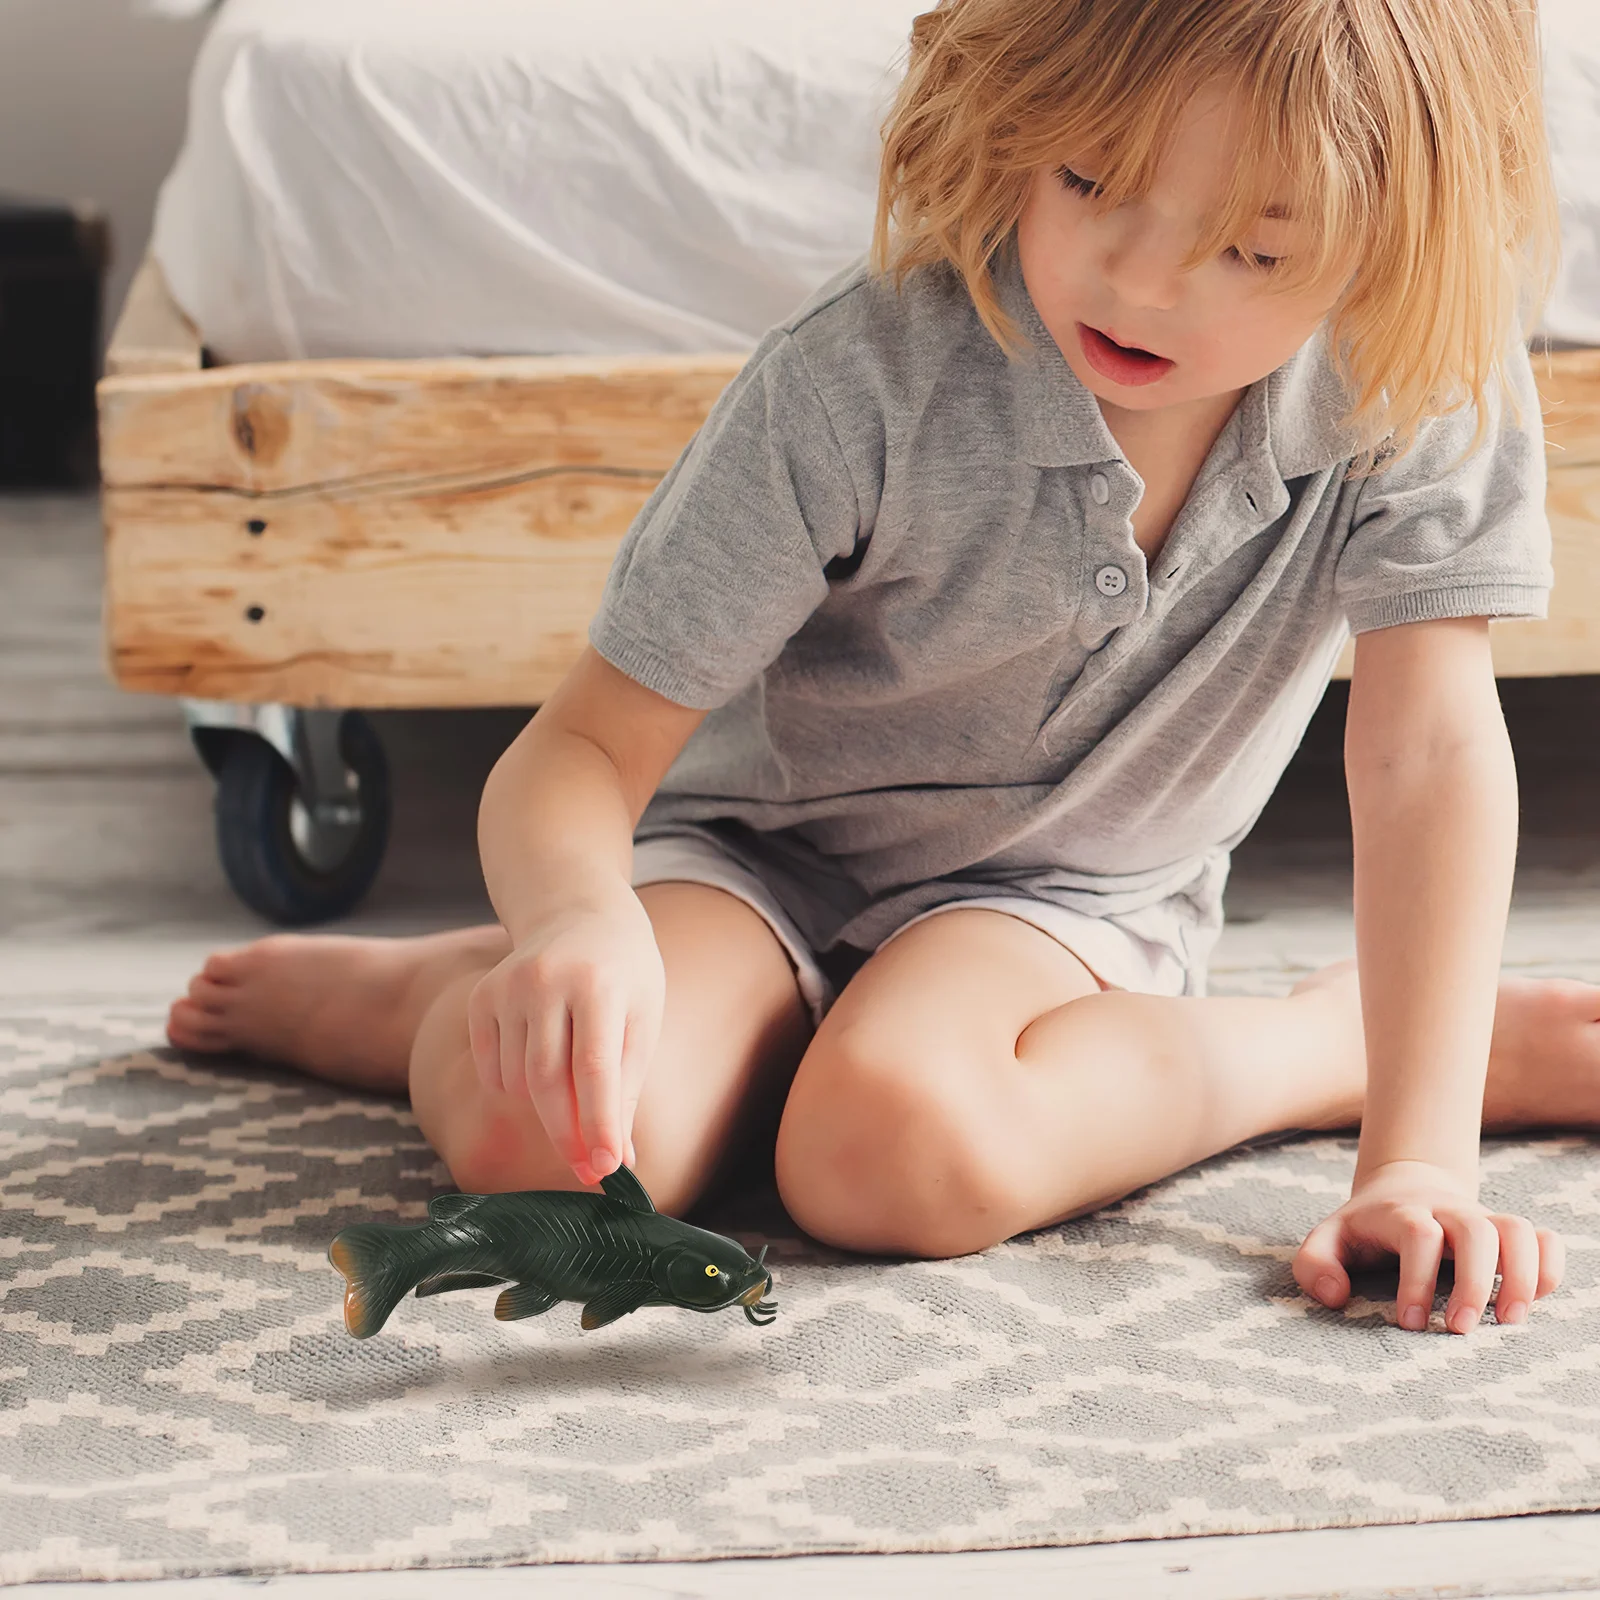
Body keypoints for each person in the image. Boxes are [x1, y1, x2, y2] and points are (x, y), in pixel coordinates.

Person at [168, 0, 1592, 1337]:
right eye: (1089, 180)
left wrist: (1417, 1148)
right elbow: (580, 755)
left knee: (890, 1162)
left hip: (1062, 900)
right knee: (538, 1144)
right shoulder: (862, 377)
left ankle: (1318, 1046)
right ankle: (429, 994)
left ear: (1399, 237)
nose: (1141, 284)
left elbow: (1427, 757)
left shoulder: (1422, 376)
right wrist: (572, 925)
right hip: (753, 855)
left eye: (1254, 250)